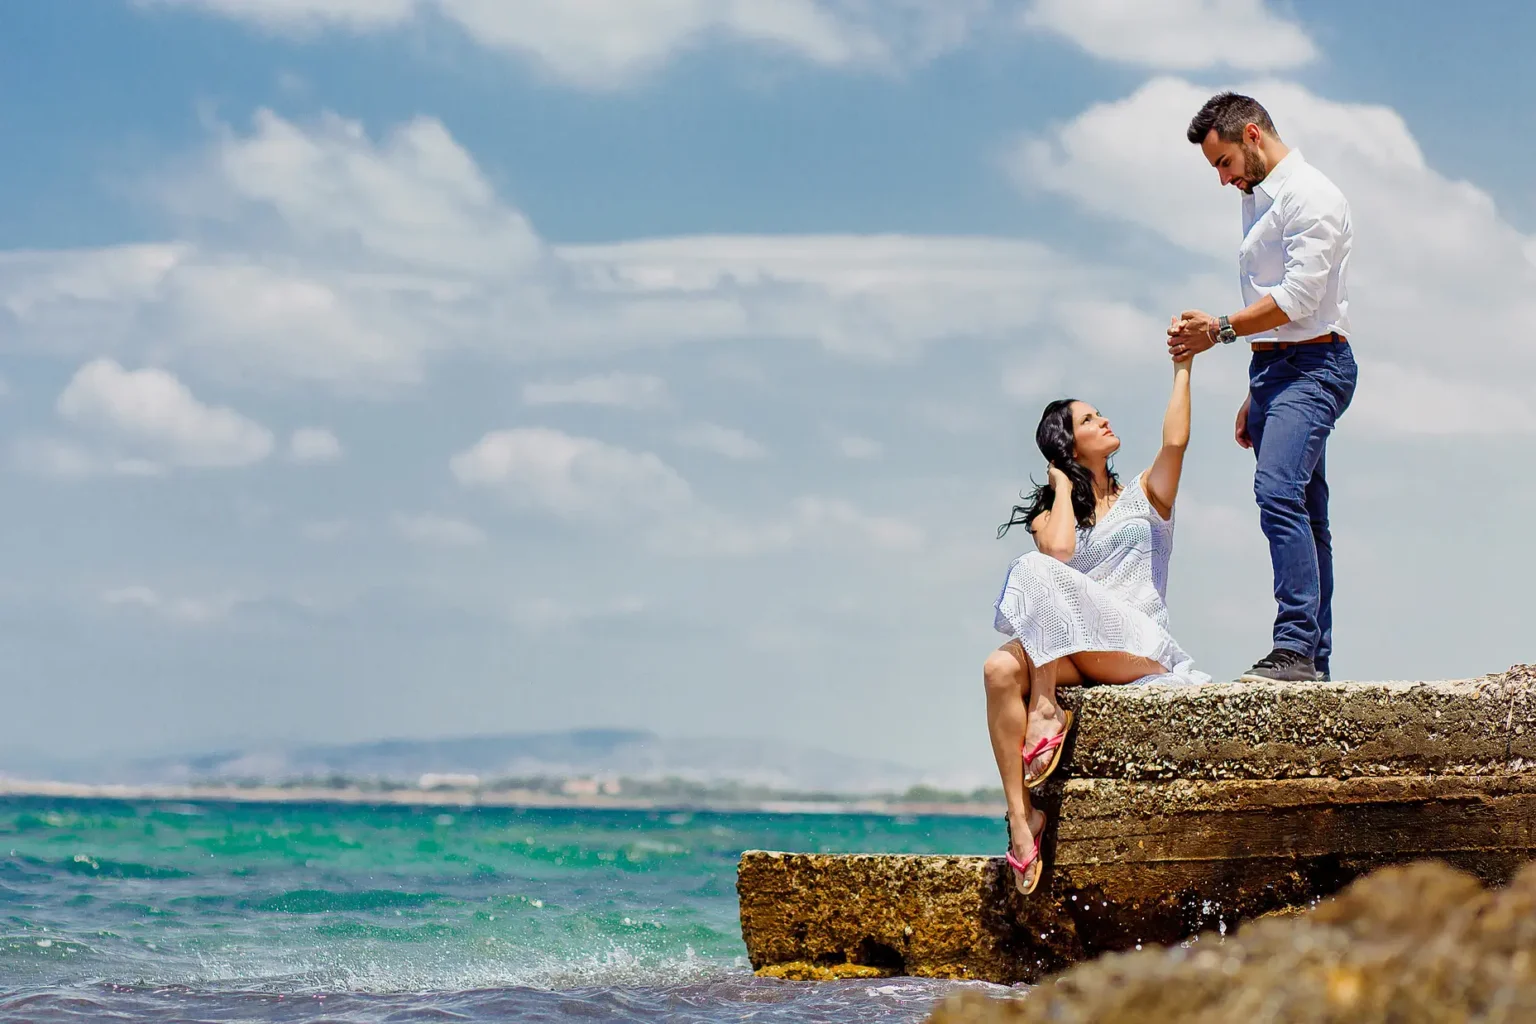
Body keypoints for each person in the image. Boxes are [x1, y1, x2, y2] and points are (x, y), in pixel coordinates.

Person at [985, 356, 1207, 895]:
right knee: (995, 669)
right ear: (1068, 446)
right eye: (1089, 421)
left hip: (1135, 647)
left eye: (1100, 415)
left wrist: (1184, 367)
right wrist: (1062, 488)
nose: (1104, 422)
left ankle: (1044, 707)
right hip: (1074, 653)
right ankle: (1021, 816)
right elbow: (1059, 550)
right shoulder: (1051, 515)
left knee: (1037, 575)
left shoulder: (1145, 495)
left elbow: (1174, 443)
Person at [1167, 92, 1358, 684]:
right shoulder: (1258, 197)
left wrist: (1217, 329)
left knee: (1277, 494)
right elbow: (1275, 305)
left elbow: (1300, 299)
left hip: (1316, 366)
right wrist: (1259, 389)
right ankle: (1314, 660)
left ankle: (1295, 647)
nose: (1223, 179)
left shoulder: (1313, 197)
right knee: (1306, 510)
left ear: (1251, 135)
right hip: (1278, 369)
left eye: (1223, 163)